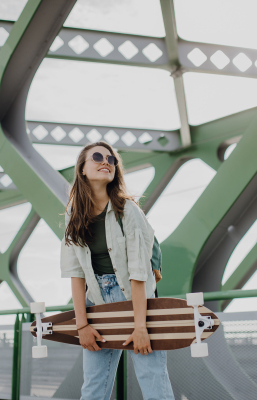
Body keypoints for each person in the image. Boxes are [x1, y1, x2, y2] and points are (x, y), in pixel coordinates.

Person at [60, 142, 174, 400]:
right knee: (93, 386)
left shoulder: (128, 210)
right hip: (97, 300)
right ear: (83, 169)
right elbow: (76, 273)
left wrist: (140, 325)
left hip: (135, 299)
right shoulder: (74, 215)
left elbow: (138, 272)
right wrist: (82, 326)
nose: (106, 162)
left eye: (111, 159)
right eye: (98, 157)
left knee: (152, 378)